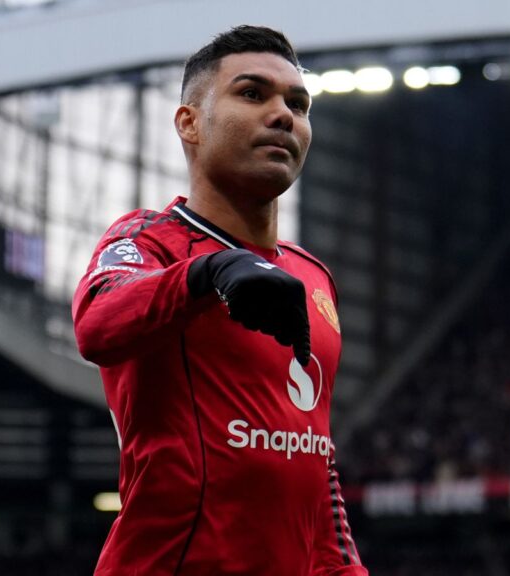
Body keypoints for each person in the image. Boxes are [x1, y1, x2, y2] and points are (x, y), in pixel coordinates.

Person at [72, 26, 367, 575]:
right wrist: (209, 272)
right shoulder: (148, 241)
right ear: (190, 123)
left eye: (298, 104)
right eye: (252, 94)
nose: (283, 116)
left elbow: (316, 466)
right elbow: (98, 323)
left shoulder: (314, 278)